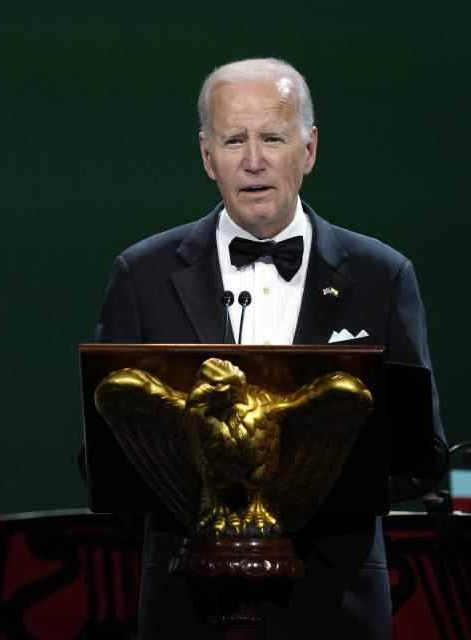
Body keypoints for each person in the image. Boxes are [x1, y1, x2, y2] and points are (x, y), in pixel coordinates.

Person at [93, 58, 447, 638]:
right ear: (207, 156)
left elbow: (419, 455)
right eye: (234, 140)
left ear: (308, 150)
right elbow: (104, 464)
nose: (253, 160)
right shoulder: (141, 274)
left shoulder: (383, 275)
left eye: (272, 138)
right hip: (189, 605)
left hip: (334, 609)